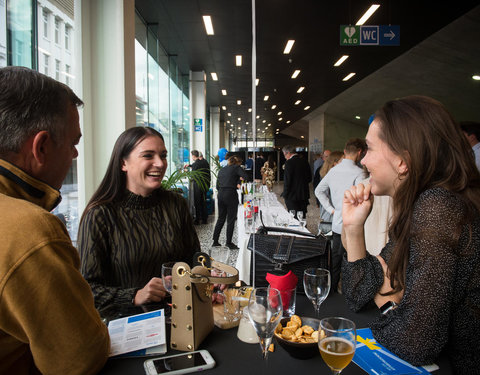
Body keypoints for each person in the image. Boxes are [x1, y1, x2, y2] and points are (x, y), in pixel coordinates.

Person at [341, 95, 480, 373]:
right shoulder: (424, 203)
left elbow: (418, 341)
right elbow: (359, 292)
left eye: (368, 149)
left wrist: (389, 305)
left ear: (403, 162)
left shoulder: (437, 208)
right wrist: (354, 228)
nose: (363, 160)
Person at [0, 66, 109, 374]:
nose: (75, 155)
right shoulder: (29, 231)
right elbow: (77, 360)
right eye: (73, 143)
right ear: (41, 147)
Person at [78, 127, 200, 311]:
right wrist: (135, 295)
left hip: (181, 316)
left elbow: (193, 257)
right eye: (148, 155)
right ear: (123, 164)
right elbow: (86, 290)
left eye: (163, 155)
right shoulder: (100, 215)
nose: (160, 163)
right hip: (128, 326)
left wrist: (204, 272)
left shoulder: (176, 204)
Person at [315, 138, 367, 293]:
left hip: (338, 221)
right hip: (356, 224)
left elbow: (319, 191)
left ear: (345, 151)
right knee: (354, 259)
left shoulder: (333, 170)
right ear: (360, 153)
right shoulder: (360, 173)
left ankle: (330, 290)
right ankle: (350, 290)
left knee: (336, 259)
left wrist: (331, 209)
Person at [212, 156, 248, 249]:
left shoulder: (222, 170)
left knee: (220, 218)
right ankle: (228, 243)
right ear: (236, 162)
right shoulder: (236, 168)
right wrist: (239, 180)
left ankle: (215, 241)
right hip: (230, 194)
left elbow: (217, 185)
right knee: (231, 220)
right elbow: (246, 176)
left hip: (220, 194)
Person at [281, 145, 312, 216]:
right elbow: (309, 178)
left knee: (293, 217)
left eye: (284, 155)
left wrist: (285, 194)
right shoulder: (305, 161)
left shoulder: (289, 163)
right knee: (302, 216)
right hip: (304, 195)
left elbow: (287, 181)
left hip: (292, 196)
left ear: (288, 153)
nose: (285, 157)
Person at [316, 150, 344, 224]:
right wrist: (331, 210)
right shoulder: (330, 176)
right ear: (335, 163)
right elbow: (319, 191)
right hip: (330, 215)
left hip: (332, 213)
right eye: (343, 161)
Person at [190, 149, 211, 224]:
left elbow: (193, 175)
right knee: (203, 201)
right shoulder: (205, 162)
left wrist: (187, 172)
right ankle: (204, 219)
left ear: (193, 156)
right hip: (205, 184)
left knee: (197, 202)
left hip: (198, 185)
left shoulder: (196, 164)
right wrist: (190, 165)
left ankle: (197, 219)